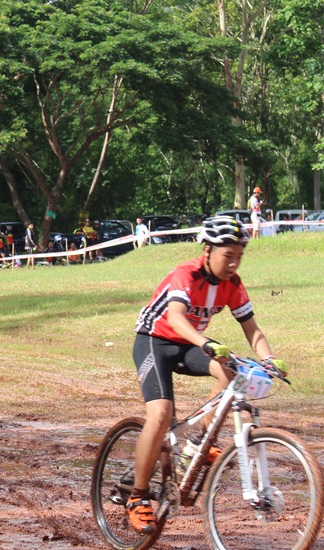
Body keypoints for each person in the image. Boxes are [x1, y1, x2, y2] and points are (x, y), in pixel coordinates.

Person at [125, 215, 286, 535]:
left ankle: (196, 445)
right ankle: (138, 497)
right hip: (155, 341)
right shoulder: (186, 274)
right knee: (161, 414)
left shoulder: (232, 284)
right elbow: (176, 318)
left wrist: (269, 359)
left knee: (231, 372)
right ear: (208, 250)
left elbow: (252, 329)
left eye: (239, 256)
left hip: (189, 343)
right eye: (228, 256)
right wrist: (206, 342)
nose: (234, 264)